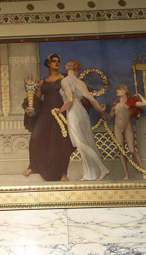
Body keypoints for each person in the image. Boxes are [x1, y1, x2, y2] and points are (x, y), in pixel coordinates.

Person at [23, 53, 73, 182]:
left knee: (61, 143)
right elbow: (36, 98)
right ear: (48, 63)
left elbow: (72, 94)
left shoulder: (65, 78)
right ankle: (33, 166)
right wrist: (29, 106)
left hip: (60, 113)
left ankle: (63, 173)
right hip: (45, 113)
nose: (57, 63)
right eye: (54, 61)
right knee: (35, 137)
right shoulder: (42, 81)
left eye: (58, 61)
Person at [60, 60, 109, 181]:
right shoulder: (80, 82)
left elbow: (69, 100)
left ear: (66, 67)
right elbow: (92, 99)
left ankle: (103, 169)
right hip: (82, 113)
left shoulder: (65, 81)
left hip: (73, 112)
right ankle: (88, 174)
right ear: (77, 69)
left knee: (81, 144)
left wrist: (59, 111)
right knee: (84, 142)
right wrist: (101, 110)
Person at [105, 85, 146, 180]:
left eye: (119, 89)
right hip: (117, 128)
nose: (117, 91)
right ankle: (126, 174)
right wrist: (103, 111)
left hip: (128, 127)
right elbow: (110, 117)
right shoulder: (115, 104)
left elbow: (145, 103)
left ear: (125, 91)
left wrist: (139, 95)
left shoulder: (131, 102)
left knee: (132, 150)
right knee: (122, 151)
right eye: (116, 89)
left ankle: (143, 173)